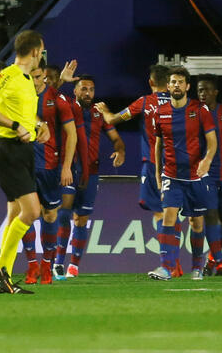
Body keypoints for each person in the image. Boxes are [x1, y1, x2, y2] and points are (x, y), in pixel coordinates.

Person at [0, 29, 50, 295]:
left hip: (23, 149)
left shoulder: (26, 79)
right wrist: (17, 125)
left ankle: (3, 276)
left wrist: (40, 125)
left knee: (13, 213)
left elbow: (22, 114)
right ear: (34, 51)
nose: (41, 56)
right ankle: (0, 267)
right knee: (32, 211)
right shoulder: (8, 74)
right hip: (8, 149)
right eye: (41, 51)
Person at [51, 74, 125, 279]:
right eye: (83, 88)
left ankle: (73, 265)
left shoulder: (98, 113)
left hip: (90, 171)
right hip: (67, 168)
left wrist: (120, 150)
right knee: (63, 214)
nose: (88, 93)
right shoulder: (65, 107)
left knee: (81, 219)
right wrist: (60, 80)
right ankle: (57, 263)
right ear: (74, 91)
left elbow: (116, 138)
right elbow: (47, 96)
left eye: (91, 89)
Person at [147, 67, 216, 281]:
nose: (176, 85)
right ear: (168, 86)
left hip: (195, 177)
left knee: (196, 223)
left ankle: (197, 267)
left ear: (187, 86)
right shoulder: (161, 112)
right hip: (171, 175)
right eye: (173, 82)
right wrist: (158, 174)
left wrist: (207, 160)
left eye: (180, 82)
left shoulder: (200, 110)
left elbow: (212, 141)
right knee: (169, 216)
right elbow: (158, 145)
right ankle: (166, 267)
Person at [20, 60, 80, 286]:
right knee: (26, 214)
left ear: (43, 75)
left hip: (49, 165)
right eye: (29, 77)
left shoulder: (57, 99)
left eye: (37, 77)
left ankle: (47, 265)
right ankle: (31, 266)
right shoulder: (19, 97)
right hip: (24, 165)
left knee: (50, 215)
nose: (33, 82)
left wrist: (66, 166)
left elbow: (71, 134)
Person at [96, 64, 172, 227]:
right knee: (173, 210)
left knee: (160, 213)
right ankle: (176, 250)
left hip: (154, 165)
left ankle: (167, 251)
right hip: (178, 165)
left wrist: (105, 110)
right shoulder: (181, 104)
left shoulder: (144, 102)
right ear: (169, 83)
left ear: (151, 82)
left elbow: (112, 120)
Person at [192, 74, 222, 276]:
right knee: (211, 216)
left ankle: (211, 259)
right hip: (205, 174)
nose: (203, 93)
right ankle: (219, 261)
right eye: (200, 89)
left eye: (207, 89)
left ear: (215, 92)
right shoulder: (192, 114)